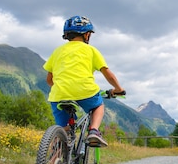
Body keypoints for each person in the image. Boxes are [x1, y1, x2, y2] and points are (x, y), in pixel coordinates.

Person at [43, 15, 125, 147]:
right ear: (87, 35)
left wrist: (62, 88)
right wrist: (119, 89)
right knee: (98, 106)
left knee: (63, 130)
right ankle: (93, 131)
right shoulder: (91, 50)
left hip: (58, 95)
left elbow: (49, 79)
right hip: (85, 92)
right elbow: (108, 75)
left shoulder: (57, 51)